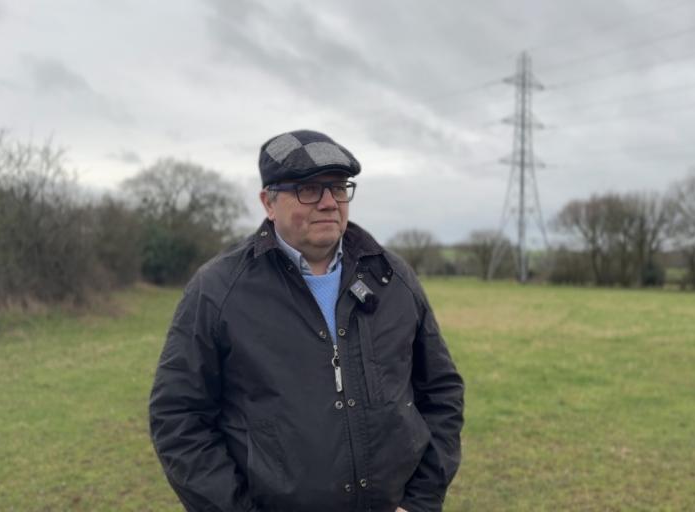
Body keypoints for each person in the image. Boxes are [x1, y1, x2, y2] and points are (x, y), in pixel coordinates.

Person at [149, 129, 464, 512]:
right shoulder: (217, 290)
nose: (330, 202)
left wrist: (420, 502)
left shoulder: (391, 278)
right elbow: (178, 417)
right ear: (268, 202)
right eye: (309, 189)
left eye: (338, 188)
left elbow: (442, 392)